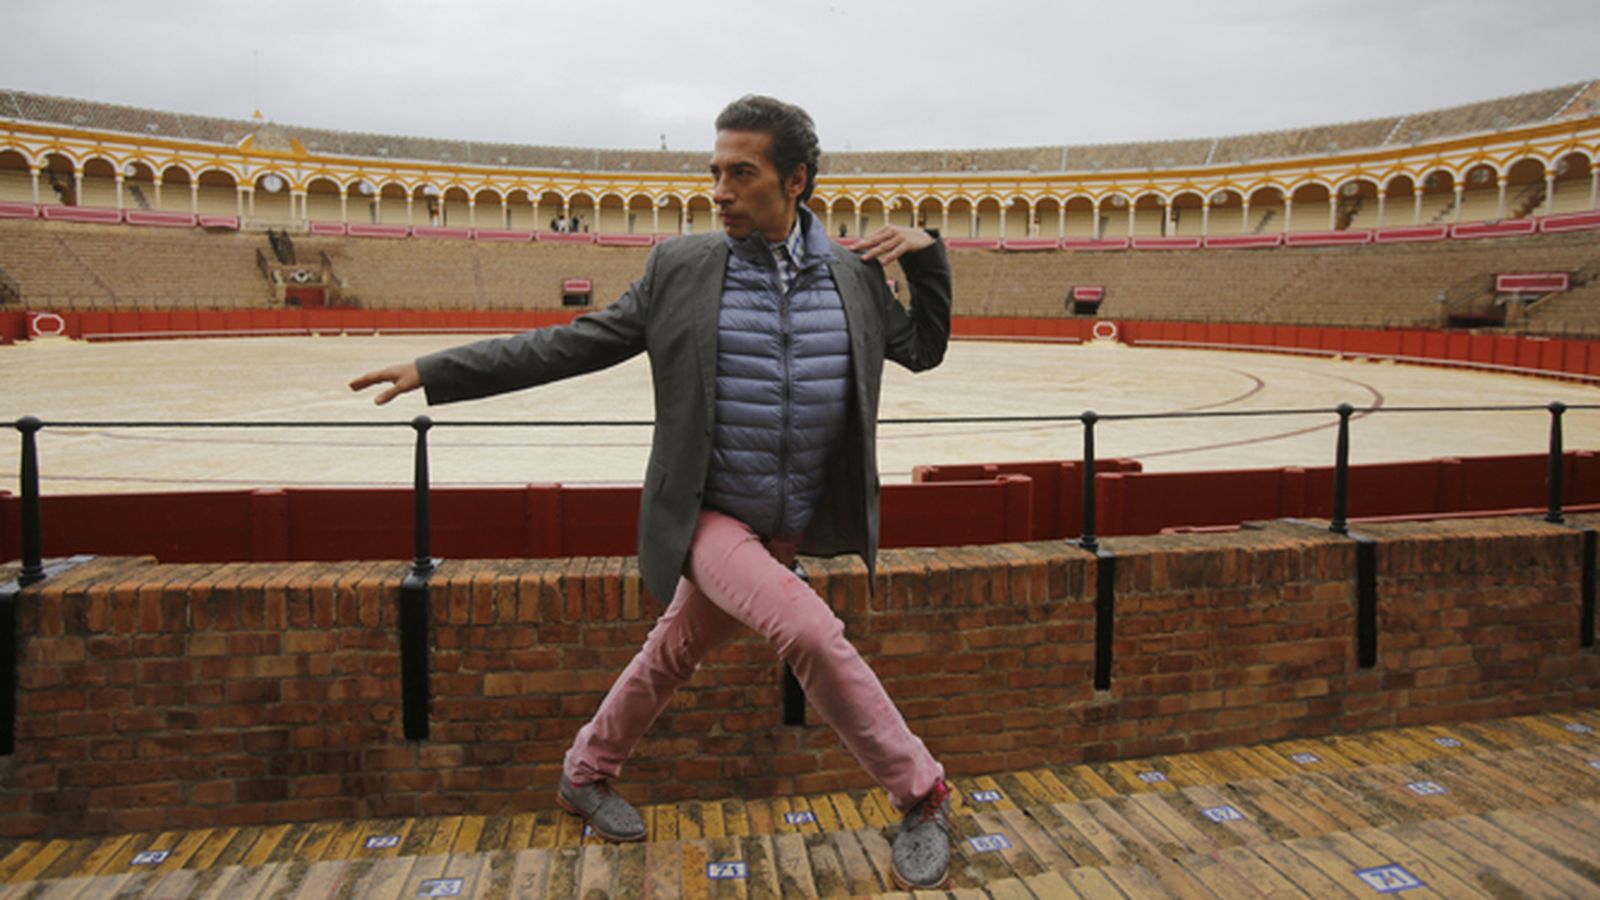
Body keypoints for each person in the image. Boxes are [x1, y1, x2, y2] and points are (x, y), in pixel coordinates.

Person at [349, 94, 954, 890]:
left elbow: (924, 349)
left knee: (672, 651)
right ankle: (924, 792)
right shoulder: (682, 268)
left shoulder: (853, 277)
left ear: (797, 180)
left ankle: (586, 771)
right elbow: (575, 342)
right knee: (809, 631)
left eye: (743, 173)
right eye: (715, 173)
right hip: (709, 514)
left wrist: (928, 253)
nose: (720, 191)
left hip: (786, 526)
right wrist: (438, 371)